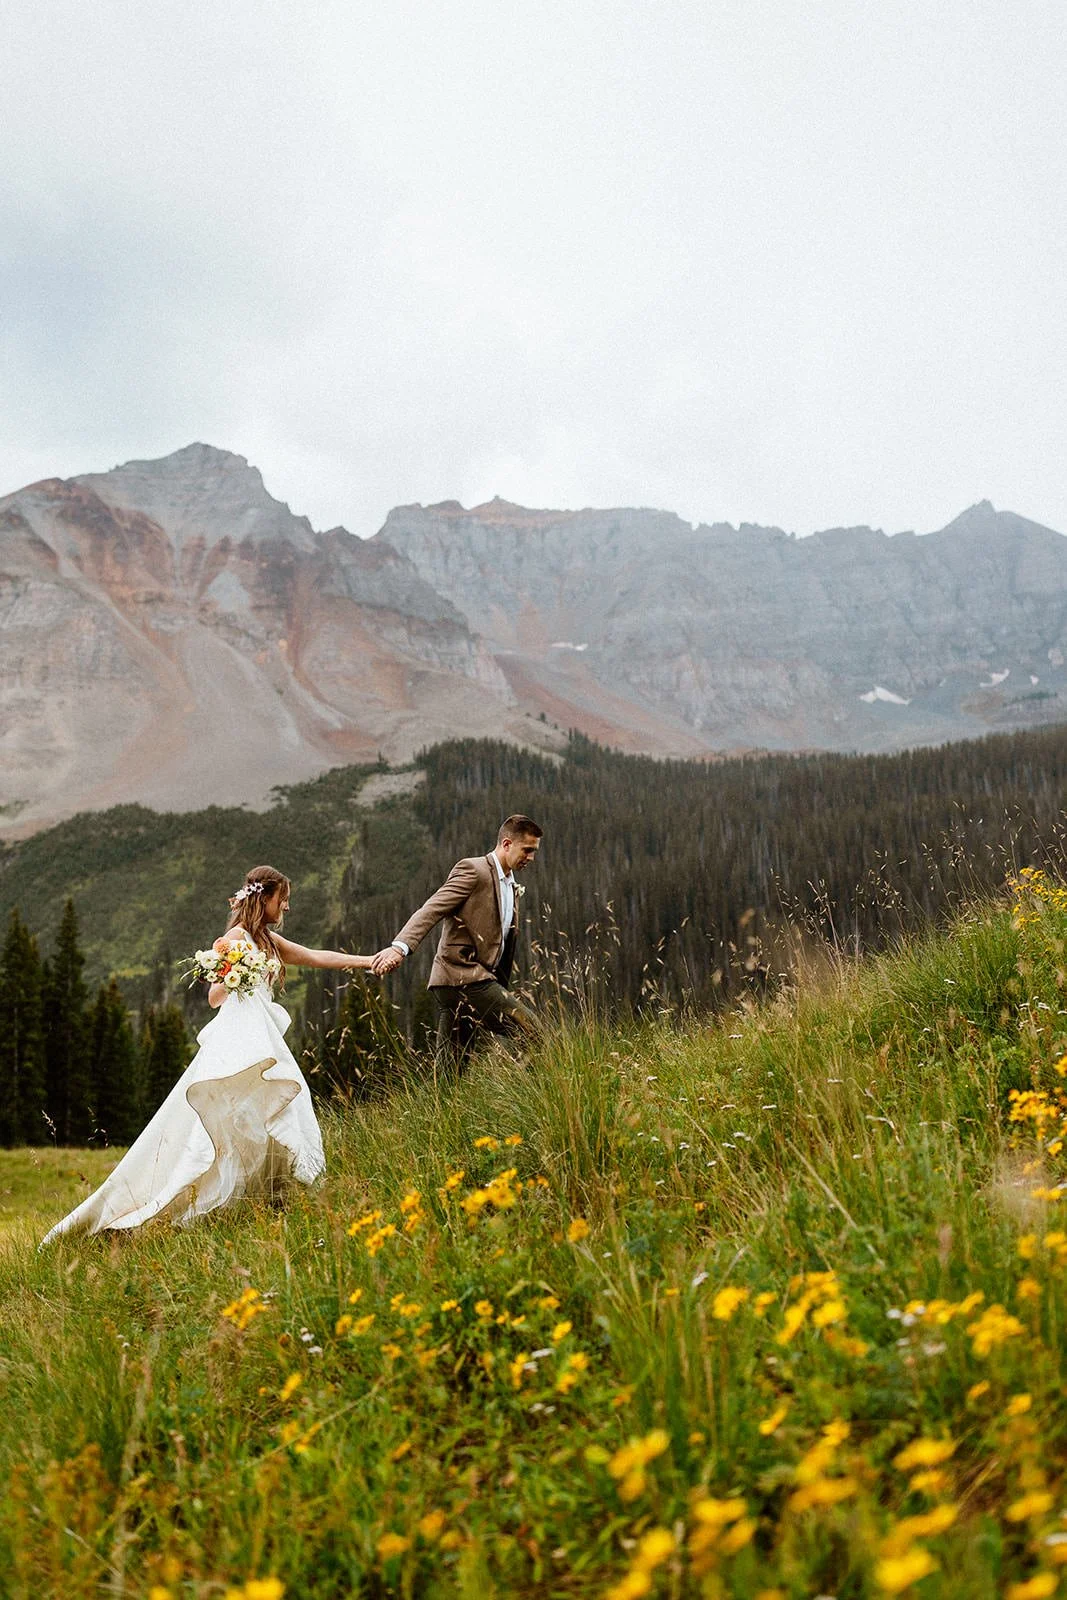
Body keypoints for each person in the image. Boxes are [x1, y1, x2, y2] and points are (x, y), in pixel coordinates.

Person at [40, 865, 373, 1244]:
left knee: (274, 1105)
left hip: (260, 1035)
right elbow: (215, 997)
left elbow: (314, 957)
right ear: (264, 899)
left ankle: (271, 1196)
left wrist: (367, 961)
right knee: (232, 1115)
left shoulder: (267, 940)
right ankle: (182, 1204)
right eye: (283, 900)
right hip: (238, 1039)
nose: (286, 908)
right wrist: (235, 974)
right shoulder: (233, 938)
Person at [371, 815, 543, 1073]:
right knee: (534, 1032)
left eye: (534, 852)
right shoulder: (474, 870)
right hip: (464, 978)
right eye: (527, 850)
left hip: (465, 983)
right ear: (507, 844)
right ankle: (534, 1094)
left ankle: (439, 1110)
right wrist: (400, 947)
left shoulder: (509, 883)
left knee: (451, 1068)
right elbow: (432, 908)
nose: (531, 857)